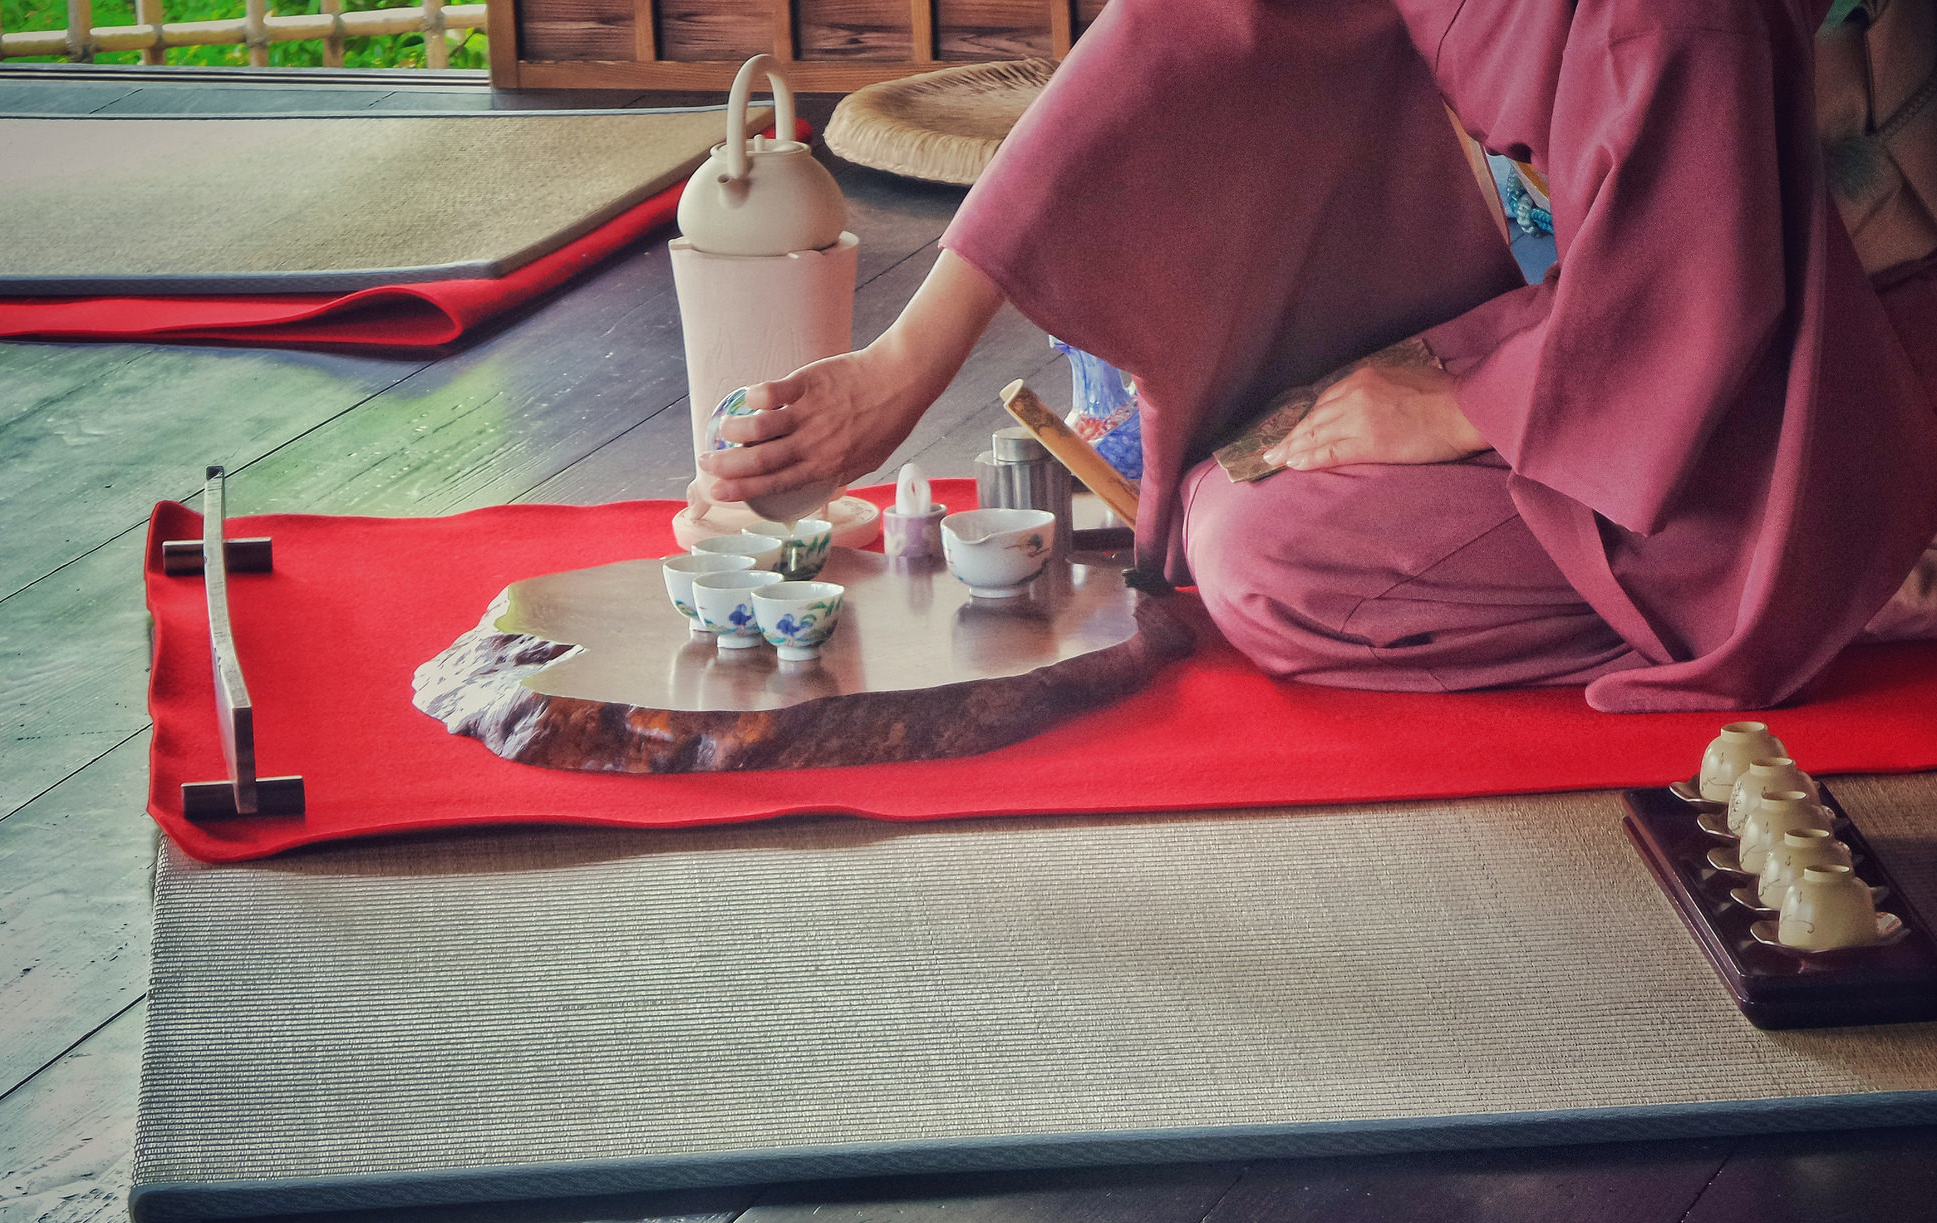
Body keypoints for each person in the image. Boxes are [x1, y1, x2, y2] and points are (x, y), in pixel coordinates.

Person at [698, 0, 1937, 713]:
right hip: (1569, 324)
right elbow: (1178, 39)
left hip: (1790, 374)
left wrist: (1457, 406)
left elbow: (1694, 294)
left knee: (1265, 562)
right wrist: (902, 363)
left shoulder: (1668, 19)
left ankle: (1844, 565)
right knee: (1232, 490)